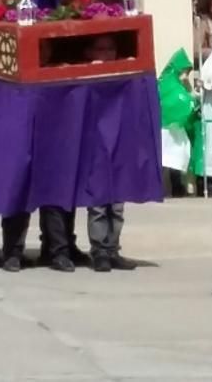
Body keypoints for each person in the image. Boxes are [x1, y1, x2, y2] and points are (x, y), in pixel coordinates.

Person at [83, 34, 138, 272]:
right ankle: (99, 251)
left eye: (110, 49)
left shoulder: (122, 74)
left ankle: (113, 248)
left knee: (117, 203)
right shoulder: (87, 74)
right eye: (100, 49)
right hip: (95, 144)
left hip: (118, 143)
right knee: (98, 203)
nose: (106, 54)